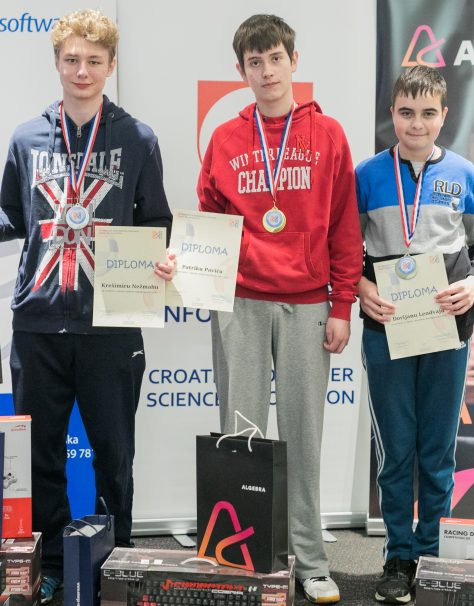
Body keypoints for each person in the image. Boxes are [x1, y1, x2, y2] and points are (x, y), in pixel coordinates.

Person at [0, 9, 175, 603]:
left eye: (94, 61)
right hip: (39, 324)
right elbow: (11, 215)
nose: (82, 70)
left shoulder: (137, 138)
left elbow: (156, 221)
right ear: (56, 62)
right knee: (40, 457)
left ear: (111, 65)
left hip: (112, 325)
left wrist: (164, 258)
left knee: (114, 456)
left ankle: (113, 562)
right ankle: (51, 561)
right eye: (72, 59)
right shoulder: (26, 138)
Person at [197, 14, 362, 604]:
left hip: (307, 303)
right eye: (254, 62)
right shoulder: (225, 139)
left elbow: (344, 228)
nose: (266, 71)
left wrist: (342, 303)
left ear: (294, 60)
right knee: (240, 434)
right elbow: (208, 225)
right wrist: (188, 270)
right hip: (240, 301)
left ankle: (309, 560)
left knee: (302, 437)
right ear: (240, 70)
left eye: (275, 59)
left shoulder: (330, 135)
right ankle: (240, 555)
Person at [357, 65, 474, 604]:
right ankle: (397, 556)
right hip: (387, 326)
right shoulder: (366, 175)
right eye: (406, 113)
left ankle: (430, 553)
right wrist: (360, 286)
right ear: (392, 114)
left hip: (447, 325)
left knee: (437, 449)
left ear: (444, 115)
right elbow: (344, 250)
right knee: (397, 448)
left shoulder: (465, 173)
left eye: (428, 114)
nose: (417, 124)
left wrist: (473, 284)